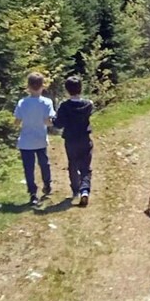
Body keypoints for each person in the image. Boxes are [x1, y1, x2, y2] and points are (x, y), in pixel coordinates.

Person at [51, 76, 94, 206]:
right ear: (81, 88)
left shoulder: (64, 106)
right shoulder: (88, 104)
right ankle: (84, 190)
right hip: (85, 139)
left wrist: (53, 119)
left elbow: (59, 124)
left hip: (70, 140)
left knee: (73, 164)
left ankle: (75, 189)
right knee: (85, 167)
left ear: (66, 90)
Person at [14, 72, 55, 206]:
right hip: (40, 139)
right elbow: (48, 121)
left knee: (28, 168)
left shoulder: (22, 102)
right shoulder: (47, 102)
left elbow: (17, 122)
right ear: (43, 86)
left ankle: (32, 193)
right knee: (44, 164)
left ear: (28, 87)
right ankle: (47, 185)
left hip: (26, 141)